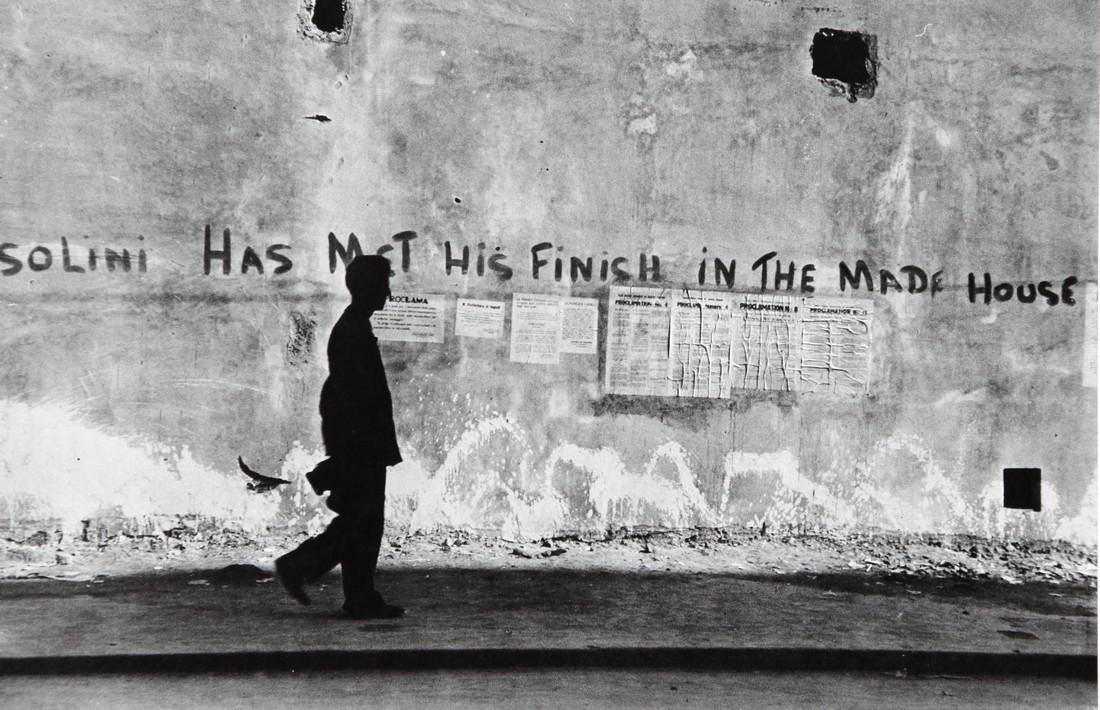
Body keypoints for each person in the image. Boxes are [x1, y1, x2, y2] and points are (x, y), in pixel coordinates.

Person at [275, 254, 404, 619]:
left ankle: (359, 595)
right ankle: (300, 566)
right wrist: (356, 449)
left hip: (362, 444)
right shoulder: (353, 331)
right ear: (368, 288)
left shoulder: (355, 327)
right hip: (361, 445)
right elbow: (350, 397)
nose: (387, 292)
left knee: (364, 522)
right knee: (361, 522)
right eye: (383, 285)